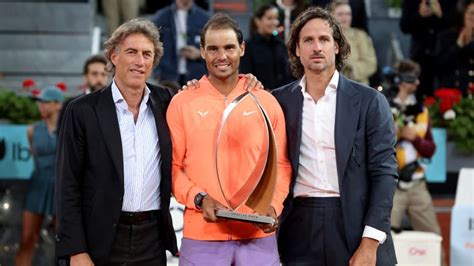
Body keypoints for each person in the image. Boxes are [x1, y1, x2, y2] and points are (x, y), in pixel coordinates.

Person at [272, 7, 398, 265]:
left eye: (324, 39)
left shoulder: (370, 101)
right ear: (296, 49)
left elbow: (384, 174)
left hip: (355, 223)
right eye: (308, 40)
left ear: (337, 46)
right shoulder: (278, 101)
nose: (316, 47)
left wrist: (370, 241)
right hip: (298, 225)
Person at [166, 13, 292, 265]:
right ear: (201, 51)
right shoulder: (182, 102)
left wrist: (274, 206)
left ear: (242, 49)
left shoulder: (265, 101)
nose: (221, 56)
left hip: (257, 236)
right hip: (201, 235)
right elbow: (173, 168)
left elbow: (281, 165)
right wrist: (199, 199)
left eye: (229, 48)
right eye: (212, 48)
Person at [55, 18, 178, 265]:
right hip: (99, 239)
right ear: (113, 56)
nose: (139, 61)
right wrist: (75, 250)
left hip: (152, 238)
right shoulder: (82, 110)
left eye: (147, 54)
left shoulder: (166, 101)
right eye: (131, 52)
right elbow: (67, 184)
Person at [388, 59, 444, 264]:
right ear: (402, 80)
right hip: (390, 185)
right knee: (383, 239)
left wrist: (415, 138)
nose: (417, 83)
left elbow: (430, 149)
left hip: (417, 183)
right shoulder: (383, 105)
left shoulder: (421, 110)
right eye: (413, 78)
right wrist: (392, 135)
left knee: (433, 236)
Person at [16, 86, 64, 266]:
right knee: (27, 239)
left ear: (58, 105)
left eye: (46, 102)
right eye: (39, 103)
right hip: (37, 187)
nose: (41, 106)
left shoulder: (69, 129)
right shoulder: (32, 130)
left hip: (61, 189)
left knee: (65, 243)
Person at [400, 0, 457, 98]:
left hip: (446, 54)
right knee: (421, 93)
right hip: (420, 54)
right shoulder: (412, 2)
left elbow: (459, 23)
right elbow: (404, 26)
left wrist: (441, 14)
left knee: (446, 92)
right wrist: (419, 15)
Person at [152, 0, 209, 85]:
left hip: (196, 76)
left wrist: (199, 54)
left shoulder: (205, 19)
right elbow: (152, 46)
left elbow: (214, 48)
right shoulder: (161, 17)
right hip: (167, 76)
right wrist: (157, 73)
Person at [240, 4, 293, 90]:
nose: (274, 22)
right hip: (259, 97)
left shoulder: (281, 45)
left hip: (283, 97)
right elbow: (246, 77)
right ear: (258, 21)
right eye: (269, 18)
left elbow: (288, 74)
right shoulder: (249, 47)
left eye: (276, 18)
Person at [57, 54, 109, 133]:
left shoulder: (116, 105)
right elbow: (63, 138)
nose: (99, 79)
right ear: (85, 77)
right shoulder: (70, 106)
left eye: (103, 74)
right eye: (94, 74)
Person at [330, 0, 377, 86]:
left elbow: (371, 63)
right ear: (332, 16)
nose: (345, 18)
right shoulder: (325, 37)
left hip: (358, 86)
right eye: (340, 14)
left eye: (348, 14)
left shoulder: (361, 36)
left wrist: (351, 68)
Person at [435, 0, 474, 95]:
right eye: (471, 13)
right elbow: (440, 67)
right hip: (451, 93)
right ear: (462, 15)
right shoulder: (446, 37)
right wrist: (458, 45)